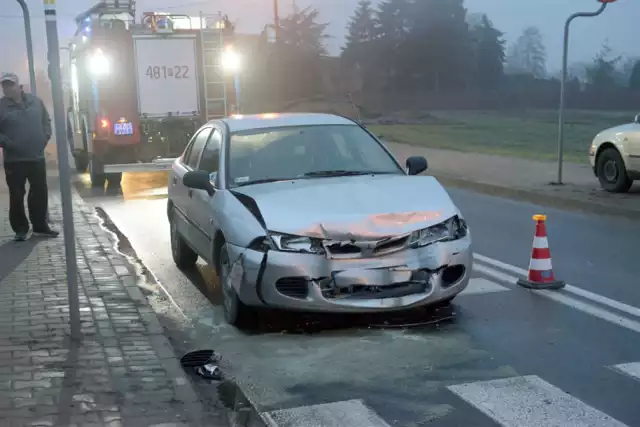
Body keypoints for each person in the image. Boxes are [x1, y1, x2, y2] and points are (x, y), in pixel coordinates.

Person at [0, 72, 58, 241]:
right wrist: (8, 143)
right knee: (17, 195)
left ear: (19, 86)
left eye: (10, 84)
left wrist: (44, 138)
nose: (6, 88)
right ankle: (20, 229)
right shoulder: (1, 106)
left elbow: (46, 122)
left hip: (36, 157)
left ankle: (40, 226)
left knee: (39, 192)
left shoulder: (35, 102)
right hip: (14, 160)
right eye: (4, 85)